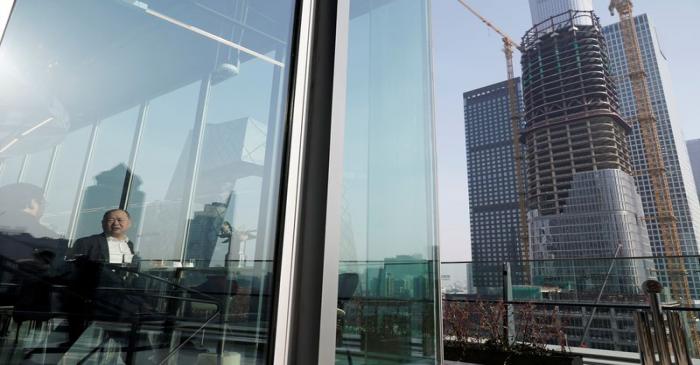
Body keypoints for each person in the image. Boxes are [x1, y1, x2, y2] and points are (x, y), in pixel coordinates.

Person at [65, 208, 139, 346]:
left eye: (120, 220)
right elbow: (74, 270)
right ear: (102, 223)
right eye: (111, 220)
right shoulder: (87, 242)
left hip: (122, 297)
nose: (115, 223)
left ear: (129, 223)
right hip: (95, 296)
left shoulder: (129, 245)